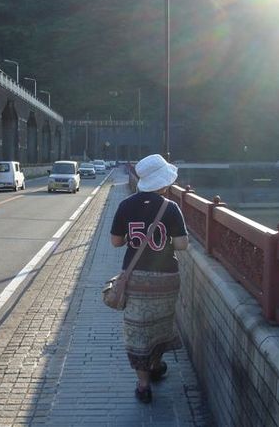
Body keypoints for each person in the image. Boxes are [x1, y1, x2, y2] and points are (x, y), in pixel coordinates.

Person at [110, 154, 189, 403]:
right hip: (166, 277)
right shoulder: (171, 207)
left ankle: (143, 385)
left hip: (135, 278)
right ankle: (156, 366)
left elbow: (115, 242)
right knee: (159, 326)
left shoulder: (126, 206)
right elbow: (182, 244)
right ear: (163, 182)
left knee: (137, 330)